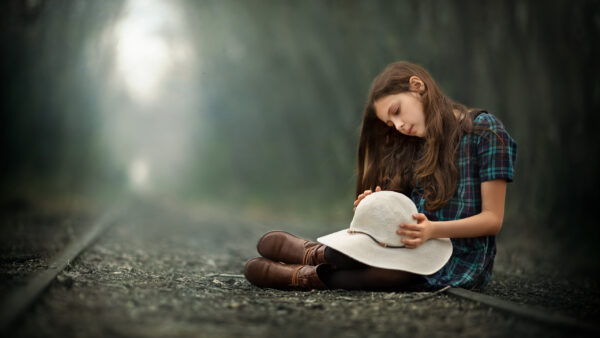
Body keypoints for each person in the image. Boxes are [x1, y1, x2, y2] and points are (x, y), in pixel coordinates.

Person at [244, 61, 517, 291]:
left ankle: (305, 277)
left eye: (397, 111)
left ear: (417, 86)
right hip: (411, 245)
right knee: (362, 249)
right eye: (391, 123)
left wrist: (433, 230)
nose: (399, 126)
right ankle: (315, 253)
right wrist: (378, 206)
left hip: (460, 258)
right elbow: (405, 212)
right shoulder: (416, 145)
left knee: (394, 276)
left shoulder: (485, 132)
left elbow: (492, 220)